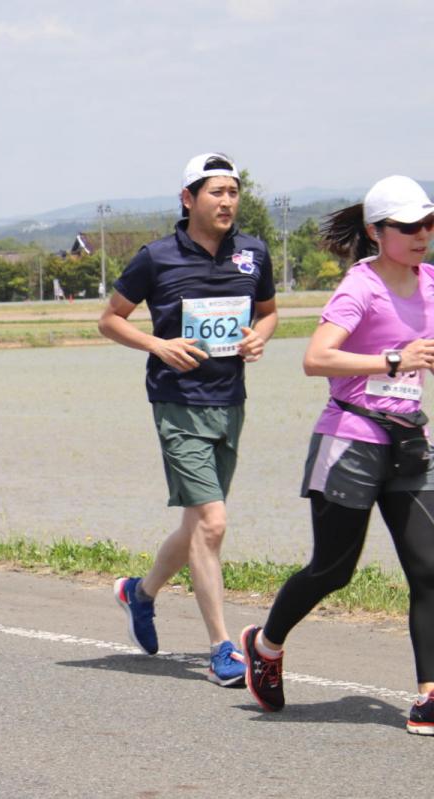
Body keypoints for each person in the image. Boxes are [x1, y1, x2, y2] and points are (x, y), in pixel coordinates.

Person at [242, 176, 434, 733]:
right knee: (333, 570)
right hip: (350, 440)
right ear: (376, 232)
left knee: (429, 569)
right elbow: (317, 358)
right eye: (409, 226)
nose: (423, 235)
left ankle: (429, 695)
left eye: (429, 223)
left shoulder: (430, 283)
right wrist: (393, 360)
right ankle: (266, 645)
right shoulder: (360, 288)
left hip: (408, 442)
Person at [100, 152, 278, 686]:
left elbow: (268, 313)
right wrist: (159, 345)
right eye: (216, 192)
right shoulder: (156, 258)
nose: (227, 202)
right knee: (213, 523)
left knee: (198, 524)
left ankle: (140, 593)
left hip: (230, 400)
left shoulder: (253, 253)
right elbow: (110, 320)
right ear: (188, 199)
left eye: (233, 192)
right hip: (177, 401)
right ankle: (222, 647)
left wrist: (258, 339)